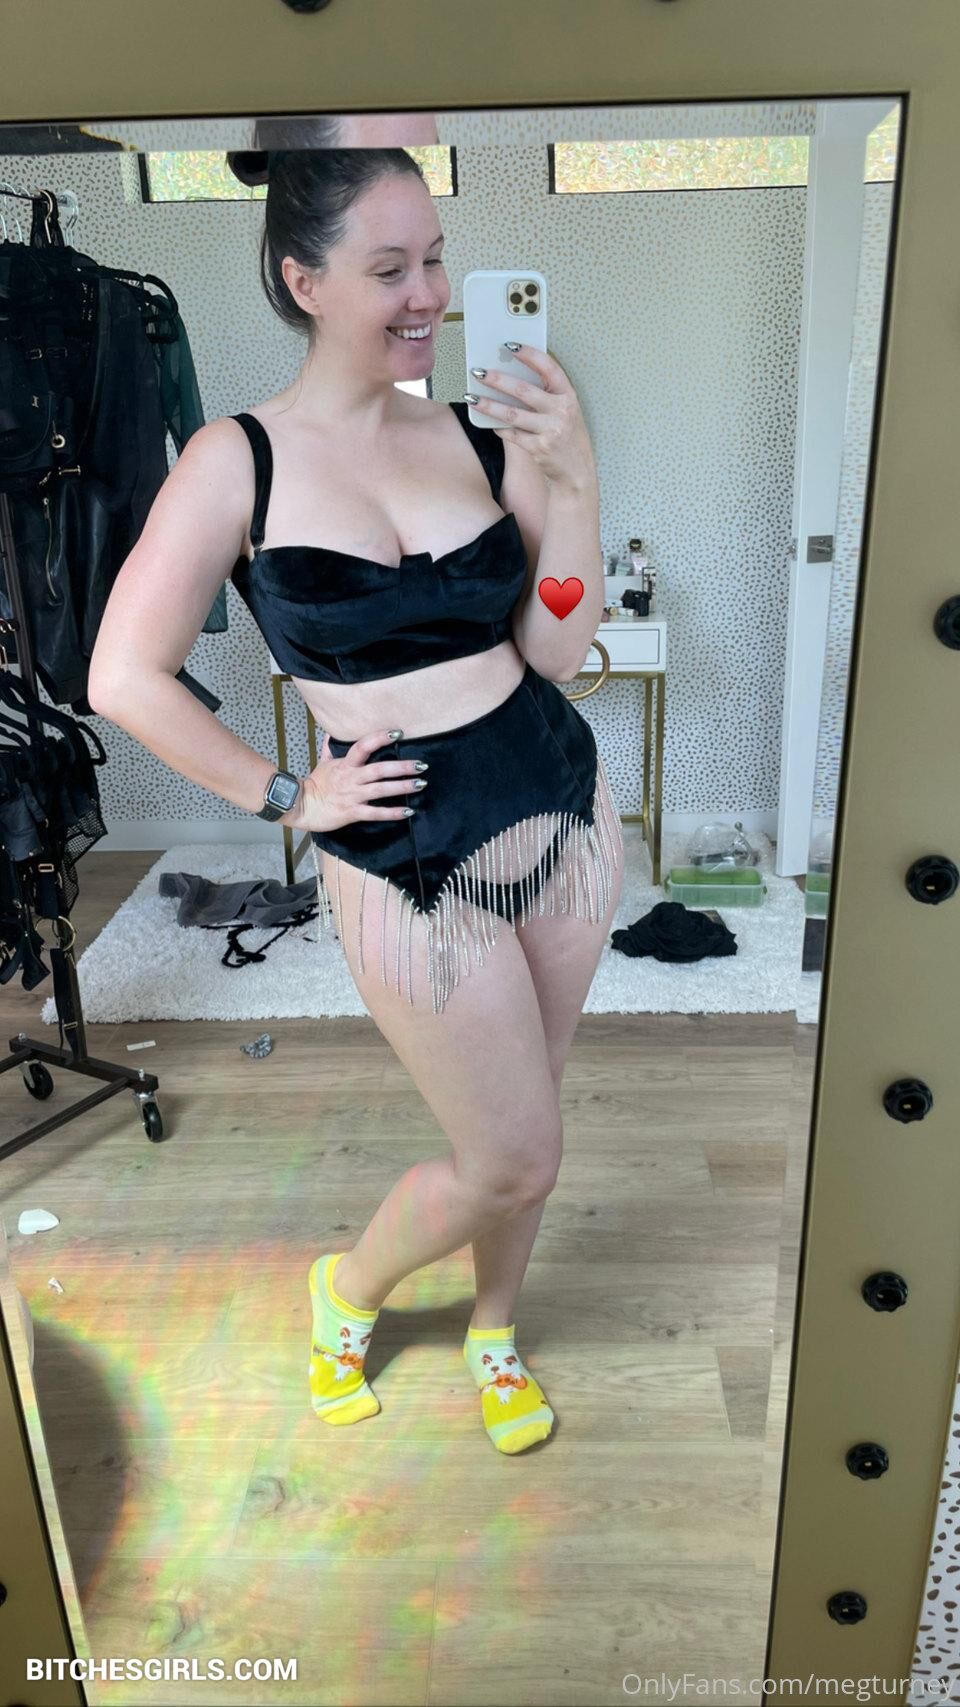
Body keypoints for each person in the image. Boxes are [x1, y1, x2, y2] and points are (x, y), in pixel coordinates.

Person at [89, 148, 625, 1456]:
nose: (427, 293)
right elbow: (122, 675)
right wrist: (287, 793)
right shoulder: (237, 461)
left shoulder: (475, 436)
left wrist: (573, 478)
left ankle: (493, 1329)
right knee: (509, 1154)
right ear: (304, 280)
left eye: (434, 258)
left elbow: (557, 644)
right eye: (390, 268)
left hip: (559, 807)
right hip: (401, 852)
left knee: (532, 1125)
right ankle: (352, 1289)